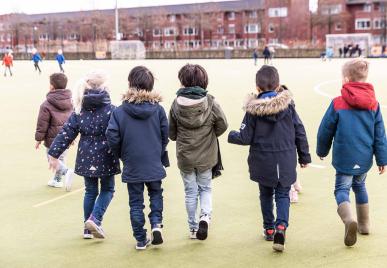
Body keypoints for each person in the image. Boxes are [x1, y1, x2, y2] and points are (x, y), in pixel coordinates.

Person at [228, 65, 311, 252]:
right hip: (286, 158)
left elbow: (244, 137)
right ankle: (282, 227)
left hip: (263, 160)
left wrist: (230, 135)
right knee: (283, 194)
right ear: (278, 86)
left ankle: (269, 228)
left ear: (257, 88)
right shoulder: (289, 107)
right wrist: (304, 156)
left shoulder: (252, 110)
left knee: (265, 194)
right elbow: (300, 131)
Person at [317, 59, 387, 247]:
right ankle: (364, 225)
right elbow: (379, 134)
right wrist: (382, 159)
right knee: (360, 186)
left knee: (341, 189)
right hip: (364, 157)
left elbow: (326, 129)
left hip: (344, 157)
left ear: (346, 78)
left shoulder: (338, 103)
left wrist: (321, 150)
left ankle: (349, 220)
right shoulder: (374, 104)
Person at [48, 70, 121, 240]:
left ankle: (87, 230)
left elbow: (67, 132)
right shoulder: (112, 110)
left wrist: (54, 154)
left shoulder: (80, 109)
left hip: (86, 156)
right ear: (105, 88)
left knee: (90, 191)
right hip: (107, 155)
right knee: (108, 189)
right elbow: (120, 133)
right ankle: (95, 219)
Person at [106, 66, 169, 250]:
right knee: (156, 193)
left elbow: (112, 136)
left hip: (132, 161)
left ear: (130, 84)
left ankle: (141, 238)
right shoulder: (158, 110)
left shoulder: (119, 111)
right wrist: (159, 149)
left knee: (135, 202)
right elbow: (165, 134)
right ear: (150, 86)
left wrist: (121, 154)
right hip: (153, 160)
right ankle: (156, 223)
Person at [169, 64, 228, 241]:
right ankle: (205, 217)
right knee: (205, 189)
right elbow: (223, 124)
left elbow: (171, 133)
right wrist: (210, 135)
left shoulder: (175, 104)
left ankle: (193, 228)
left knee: (190, 192)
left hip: (185, 156)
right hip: (206, 156)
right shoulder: (210, 102)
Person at [35, 73, 74, 189]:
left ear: (51, 86)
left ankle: (66, 172)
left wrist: (38, 139)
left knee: (52, 159)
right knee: (61, 158)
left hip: (52, 139)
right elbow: (73, 120)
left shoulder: (46, 104)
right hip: (66, 136)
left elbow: (42, 124)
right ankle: (57, 180)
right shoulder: (71, 101)